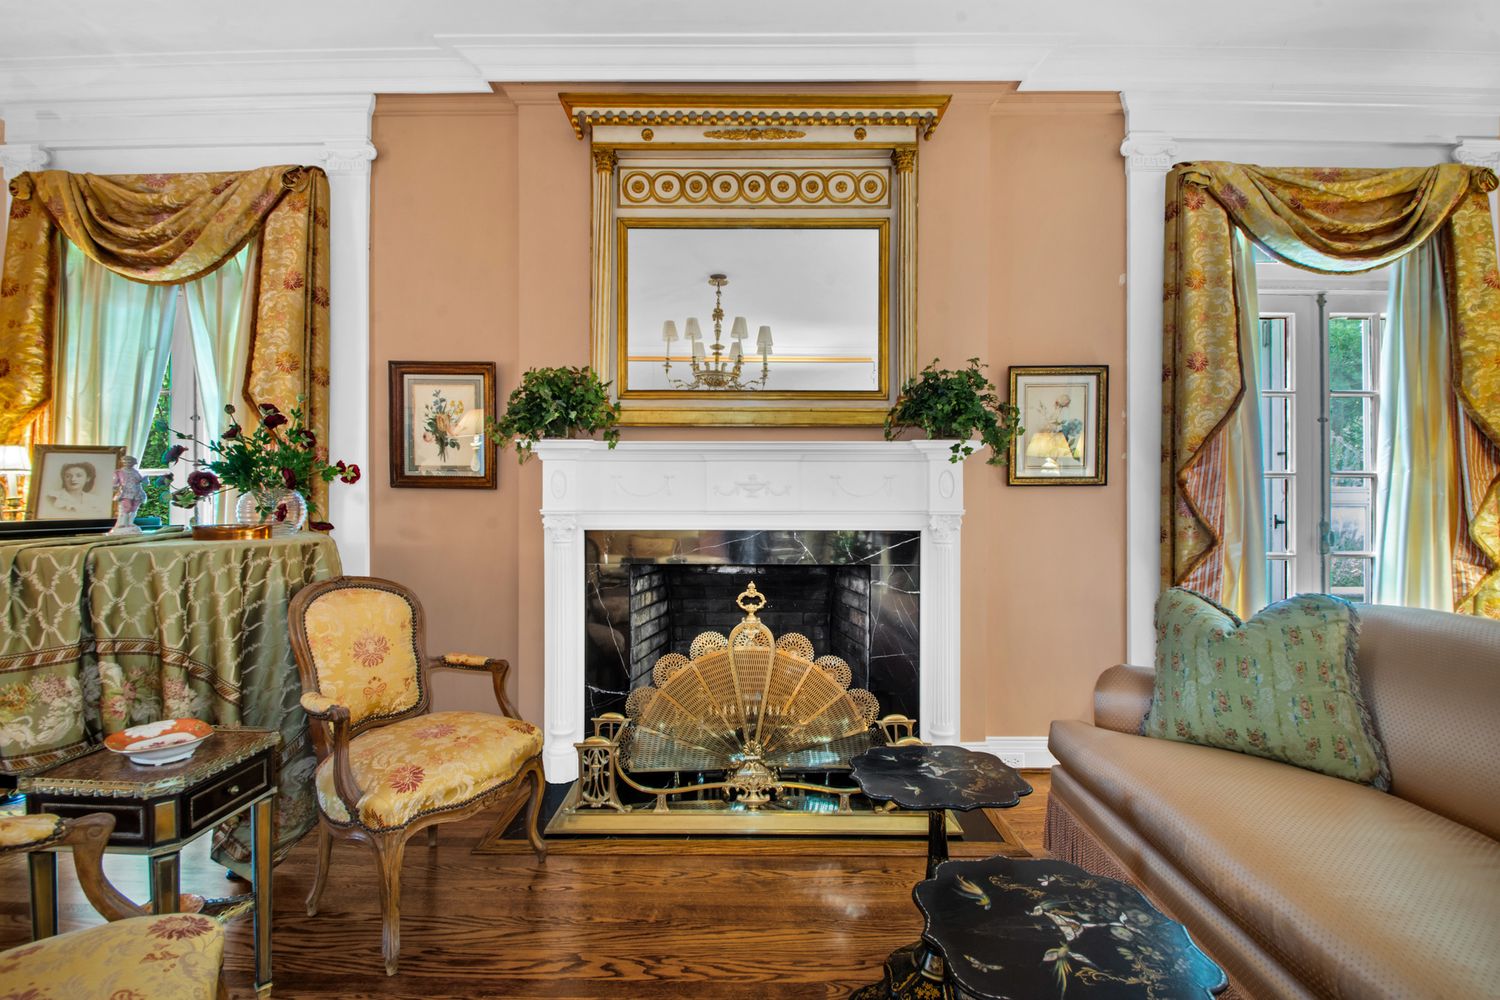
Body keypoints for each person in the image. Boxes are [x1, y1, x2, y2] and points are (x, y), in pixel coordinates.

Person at [37, 459, 103, 518]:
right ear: (63, 478)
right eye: (68, 476)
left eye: (79, 476)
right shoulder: (52, 497)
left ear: (88, 478)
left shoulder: (95, 500)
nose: (73, 479)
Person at [109, 455, 146, 534]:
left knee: (134, 508)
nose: (128, 463)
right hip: (125, 493)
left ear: (133, 463)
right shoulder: (119, 472)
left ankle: (130, 523)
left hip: (137, 492)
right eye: (126, 462)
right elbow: (115, 483)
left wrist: (144, 480)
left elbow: (139, 480)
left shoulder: (135, 472)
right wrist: (115, 487)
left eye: (130, 462)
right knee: (126, 508)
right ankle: (123, 523)